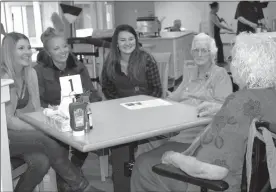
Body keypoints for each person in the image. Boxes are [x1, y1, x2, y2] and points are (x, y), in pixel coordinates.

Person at [131, 32, 276, 192]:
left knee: (143, 164)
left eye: (232, 59)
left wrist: (172, 157)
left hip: (220, 185)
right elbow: (250, 125)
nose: (230, 64)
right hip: (263, 183)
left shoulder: (238, 102)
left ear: (244, 65)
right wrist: (220, 110)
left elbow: (211, 171)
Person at [130, 32, 233, 192]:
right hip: (175, 129)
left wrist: (196, 103)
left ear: (212, 53)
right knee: (143, 145)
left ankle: (151, 176)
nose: (199, 54)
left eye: (204, 50)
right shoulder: (190, 73)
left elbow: (223, 110)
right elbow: (174, 98)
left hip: (194, 138)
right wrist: (158, 102)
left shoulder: (220, 75)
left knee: (143, 160)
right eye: (196, 50)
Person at [1, 32, 103, 192]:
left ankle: (69, 181)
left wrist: (57, 114)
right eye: (21, 48)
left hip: (33, 127)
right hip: (4, 136)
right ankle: (82, 186)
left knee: (41, 162)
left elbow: (36, 108)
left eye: (28, 47)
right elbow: (7, 120)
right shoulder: (5, 78)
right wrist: (41, 126)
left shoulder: (30, 73)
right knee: (48, 140)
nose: (27, 51)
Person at [34, 27, 102, 191]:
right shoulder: (38, 71)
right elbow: (39, 101)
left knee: (87, 135)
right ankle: (70, 181)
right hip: (52, 118)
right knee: (59, 143)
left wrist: (76, 105)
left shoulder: (77, 66)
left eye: (65, 46)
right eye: (56, 48)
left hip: (77, 112)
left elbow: (89, 92)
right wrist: (56, 110)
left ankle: (72, 171)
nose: (63, 51)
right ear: (48, 52)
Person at [101, 24, 163, 156]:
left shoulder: (146, 59)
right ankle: (124, 168)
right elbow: (107, 88)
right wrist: (121, 107)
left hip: (147, 111)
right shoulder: (110, 62)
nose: (127, 43)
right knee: (119, 147)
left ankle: (140, 163)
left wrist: (144, 108)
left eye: (130, 39)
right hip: (120, 112)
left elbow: (157, 90)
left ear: (136, 40)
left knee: (149, 147)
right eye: (122, 40)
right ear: (116, 43)